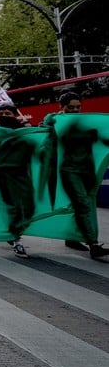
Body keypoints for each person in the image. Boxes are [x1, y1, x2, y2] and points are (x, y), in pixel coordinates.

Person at [49, 91, 109, 259]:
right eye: (70, 108)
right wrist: (53, 119)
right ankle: (94, 245)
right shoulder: (57, 123)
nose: (75, 110)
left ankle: (71, 237)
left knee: (84, 204)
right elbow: (44, 131)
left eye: (78, 107)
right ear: (62, 108)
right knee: (83, 203)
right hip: (70, 171)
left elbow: (103, 141)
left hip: (88, 171)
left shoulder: (88, 123)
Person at [0, 103, 35, 258]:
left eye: (7, 113)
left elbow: (35, 147)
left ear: (14, 115)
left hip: (21, 175)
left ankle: (13, 230)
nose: (3, 116)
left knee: (29, 208)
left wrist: (30, 130)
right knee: (13, 207)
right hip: (2, 175)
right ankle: (17, 239)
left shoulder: (24, 131)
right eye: (0, 114)